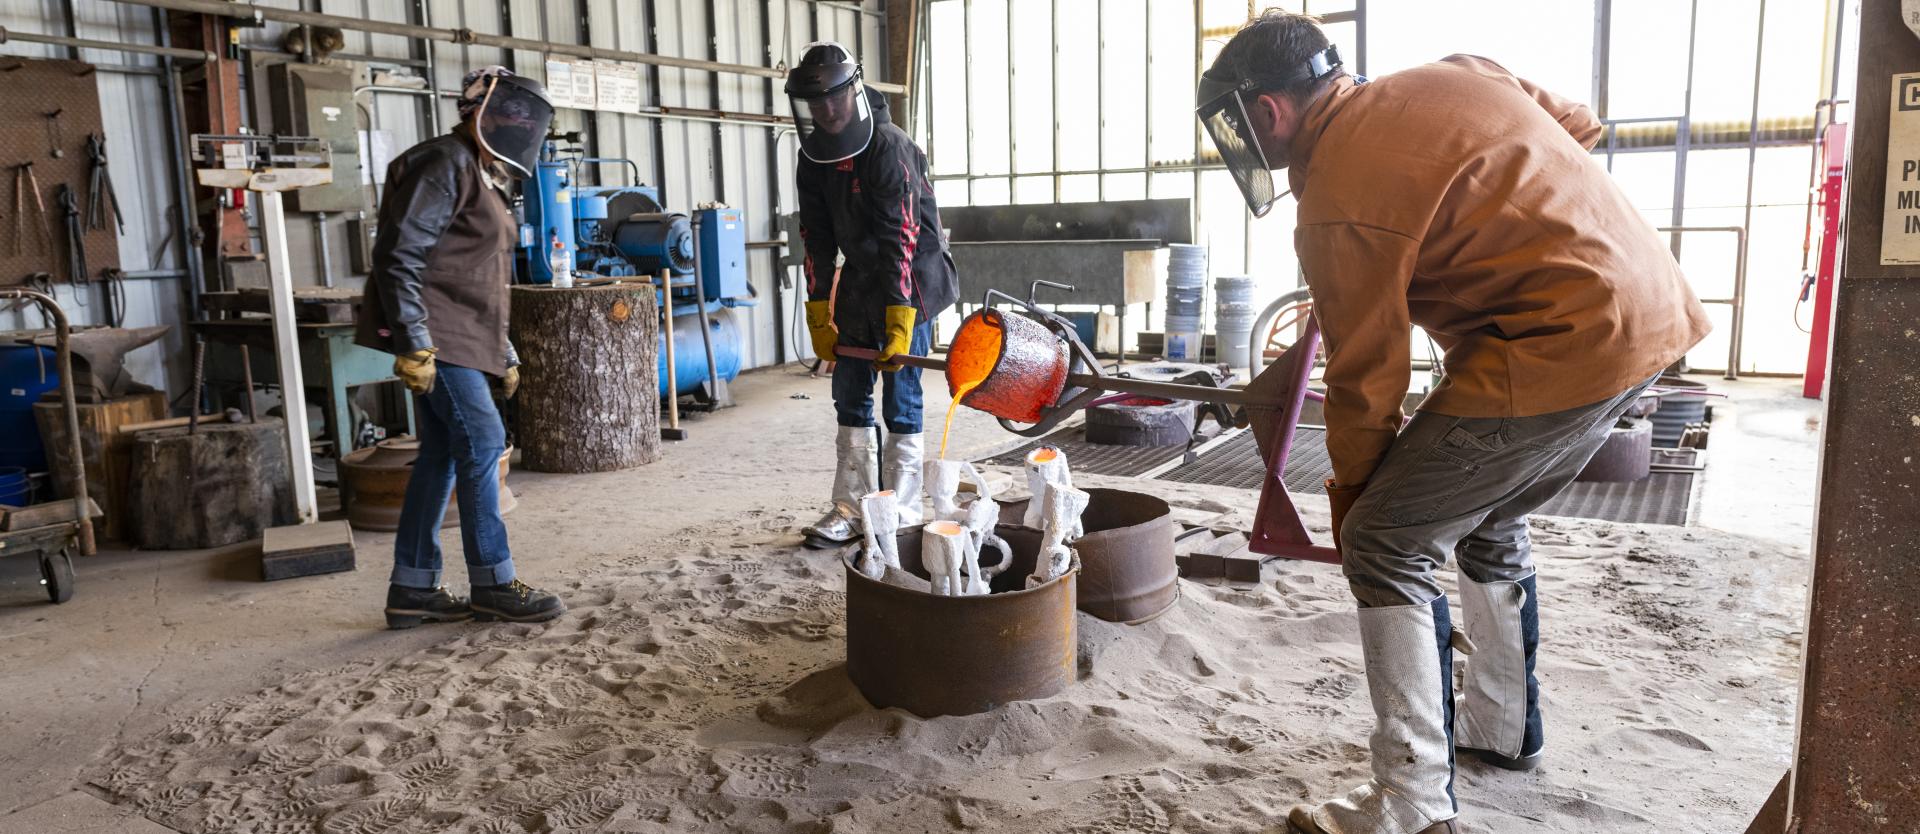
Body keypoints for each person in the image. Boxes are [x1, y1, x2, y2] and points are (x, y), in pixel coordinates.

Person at [1196, 11, 1710, 834]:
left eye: (1239, 127)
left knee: (1388, 539)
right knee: (1485, 513)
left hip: (1556, 342)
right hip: (1651, 315)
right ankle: (1502, 729)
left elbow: (1367, 383)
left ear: (1266, 113)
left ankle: (1410, 803)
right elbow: (1577, 125)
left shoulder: (1333, 195)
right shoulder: (1460, 71)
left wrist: (1357, 511)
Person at [356, 66, 568, 629]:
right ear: (478, 111)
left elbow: (480, 272)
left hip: (467, 336)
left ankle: (413, 588)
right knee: (483, 442)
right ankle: (494, 583)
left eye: (525, 118)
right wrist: (414, 342)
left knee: (443, 454)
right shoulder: (444, 162)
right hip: (440, 335)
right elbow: (399, 255)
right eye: (506, 113)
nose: (517, 124)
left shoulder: (485, 172)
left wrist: (506, 350)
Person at [787, 42, 958, 545]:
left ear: (853, 93)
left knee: (901, 396)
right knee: (849, 392)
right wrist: (819, 310)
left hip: (914, 279)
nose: (825, 110)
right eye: (815, 104)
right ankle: (851, 508)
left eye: (834, 99)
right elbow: (815, 236)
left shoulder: (888, 147)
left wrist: (900, 316)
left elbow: (900, 238)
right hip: (862, 276)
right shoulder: (812, 157)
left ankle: (900, 514)